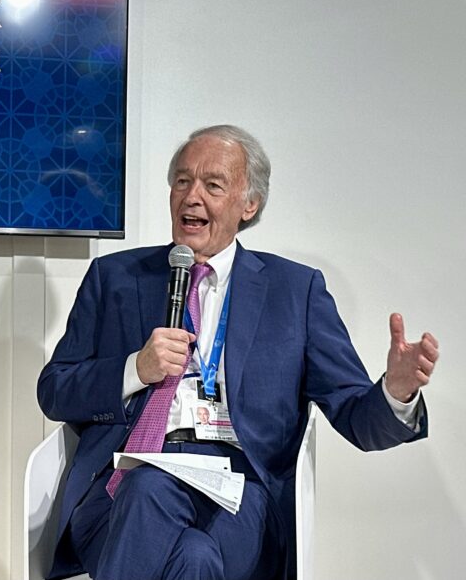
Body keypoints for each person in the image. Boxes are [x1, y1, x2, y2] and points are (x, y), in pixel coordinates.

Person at [37, 125, 438, 580]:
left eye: (213, 185)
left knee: (165, 509)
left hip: (239, 494)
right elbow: (54, 391)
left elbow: (354, 417)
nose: (192, 197)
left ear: (250, 205)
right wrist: (135, 368)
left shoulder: (295, 292)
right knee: (186, 547)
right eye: (183, 181)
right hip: (120, 491)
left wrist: (396, 393)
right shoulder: (114, 277)